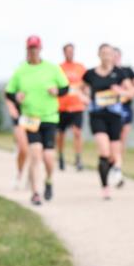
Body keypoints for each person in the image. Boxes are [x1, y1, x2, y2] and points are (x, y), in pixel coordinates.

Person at [4, 35, 70, 206]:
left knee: (48, 157)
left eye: (35, 48)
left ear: (40, 49)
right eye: (30, 48)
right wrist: (16, 96)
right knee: (35, 154)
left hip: (49, 117)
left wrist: (57, 91)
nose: (33, 51)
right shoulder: (21, 70)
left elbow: (65, 88)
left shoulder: (52, 68)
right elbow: (9, 92)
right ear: (27, 50)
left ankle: (49, 180)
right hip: (29, 118)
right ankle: (35, 193)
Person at [82, 44, 132, 200]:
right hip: (97, 115)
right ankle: (105, 187)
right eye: (103, 53)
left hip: (115, 116)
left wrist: (121, 92)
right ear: (98, 55)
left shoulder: (120, 73)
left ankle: (111, 172)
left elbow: (131, 92)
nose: (106, 56)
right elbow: (79, 89)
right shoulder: (90, 74)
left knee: (113, 155)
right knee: (104, 151)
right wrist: (84, 99)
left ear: (113, 56)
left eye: (109, 53)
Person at [113, 46, 134, 176]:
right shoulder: (105, 73)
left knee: (122, 138)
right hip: (109, 110)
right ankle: (113, 163)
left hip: (125, 108)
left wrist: (124, 92)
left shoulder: (127, 71)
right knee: (112, 140)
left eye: (115, 56)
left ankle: (118, 167)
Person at [57, 43, 87, 172]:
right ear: (64, 52)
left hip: (77, 106)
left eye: (72, 51)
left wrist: (85, 96)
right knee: (60, 134)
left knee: (77, 133)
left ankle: (78, 158)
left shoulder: (80, 67)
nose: (70, 53)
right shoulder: (59, 68)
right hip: (62, 106)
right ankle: (61, 157)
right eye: (68, 51)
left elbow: (86, 85)